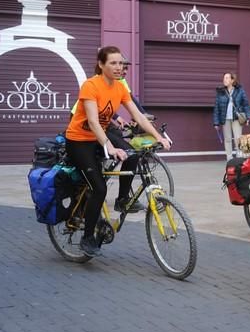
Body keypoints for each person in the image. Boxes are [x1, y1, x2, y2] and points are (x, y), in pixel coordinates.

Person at [65, 46, 171, 257]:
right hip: (79, 141)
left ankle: (123, 199)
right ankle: (87, 238)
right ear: (101, 64)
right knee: (99, 188)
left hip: (100, 137)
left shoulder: (120, 87)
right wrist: (110, 147)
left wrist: (158, 136)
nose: (118, 67)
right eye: (113, 63)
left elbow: (138, 117)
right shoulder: (90, 86)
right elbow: (94, 122)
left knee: (131, 155)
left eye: (120, 63)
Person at [213, 72, 250, 161]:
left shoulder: (240, 91)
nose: (224, 80)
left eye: (227, 78)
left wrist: (249, 117)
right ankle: (229, 158)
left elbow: (245, 104)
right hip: (225, 119)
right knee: (227, 139)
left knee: (238, 138)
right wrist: (216, 122)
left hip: (236, 118)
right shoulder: (220, 92)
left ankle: (239, 157)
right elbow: (216, 108)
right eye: (224, 78)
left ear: (232, 80)